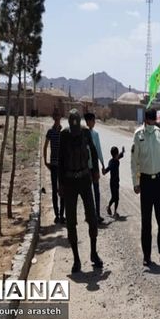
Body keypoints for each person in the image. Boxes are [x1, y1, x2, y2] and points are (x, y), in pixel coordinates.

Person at [58, 109, 103, 273]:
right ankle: (76, 259)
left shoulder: (85, 133)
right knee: (71, 221)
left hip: (84, 178)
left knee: (92, 217)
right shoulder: (64, 135)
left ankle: (93, 253)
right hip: (69, 181)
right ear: (70, 124)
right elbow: (60, 160)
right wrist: (60, 184)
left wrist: (95, 171)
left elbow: (93, 151)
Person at [131, 108, 160, 266]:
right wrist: (136, 182)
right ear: (147, 119)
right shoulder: (138, 135)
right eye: (152, 120)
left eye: (155, 120)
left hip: (159, 181)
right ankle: (146, 255)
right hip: (146, 183)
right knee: (146, 222)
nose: (154, 122)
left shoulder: (158, 133)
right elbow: (134, 162)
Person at [43, 108, 65, 224]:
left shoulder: (64, 131)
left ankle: (62, 214)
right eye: (55, 115)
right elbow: (45, 146)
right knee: (54, 191)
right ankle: (57, 215)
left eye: (58, 115)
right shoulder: (50, 132)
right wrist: (45, 162)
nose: (57, 117)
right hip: (53, 165)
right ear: (53, 117)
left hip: (62, 165)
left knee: (63, 189)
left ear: (60, 116)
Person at [84, 112, 105, 224]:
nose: (94, 122)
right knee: (91, 192)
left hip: (91, 167)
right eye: (92, 120)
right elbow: (98, 150)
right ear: (88, 122)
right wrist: (102, 163)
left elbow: (98, 150)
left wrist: (102, 163)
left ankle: (95, 214)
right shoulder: (88, 134)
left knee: (94, 191)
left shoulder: (91, 134)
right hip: (89, 167)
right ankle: (92, 214)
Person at [102, 146, 124, 218]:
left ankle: (113, 210)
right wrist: (104, 171)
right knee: (114, 197)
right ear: (115, 154)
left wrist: (122, 152)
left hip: (116, 182)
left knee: (116, 197)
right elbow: (108, 169)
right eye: (117, 154)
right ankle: (111, 209)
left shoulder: (115, 159)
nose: (118, 155)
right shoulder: (112, 162)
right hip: (113, 183)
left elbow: (120, 156)